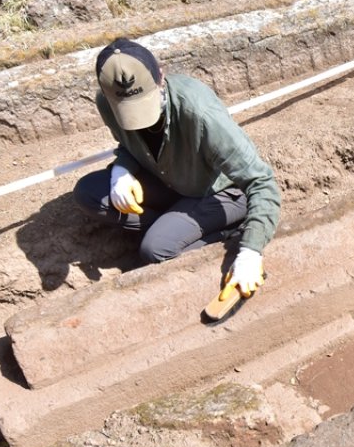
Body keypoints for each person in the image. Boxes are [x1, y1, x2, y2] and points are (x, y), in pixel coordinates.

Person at [73, 38, 280, 297]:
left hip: (220, 192)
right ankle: (173, 226)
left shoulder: (199, 112)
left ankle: (227, 231)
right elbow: (129, 145)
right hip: (169, 178)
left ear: (160, 75)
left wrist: (250, 251)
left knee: (155, 250)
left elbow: (261, 181)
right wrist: (121, 171)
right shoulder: (106, 104)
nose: (139, 119)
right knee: (89, 193)